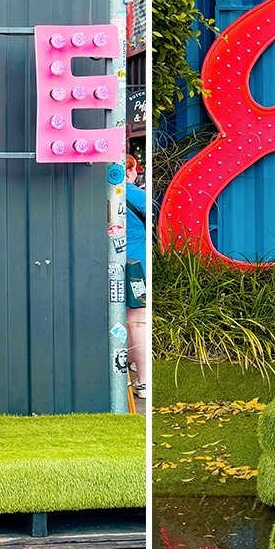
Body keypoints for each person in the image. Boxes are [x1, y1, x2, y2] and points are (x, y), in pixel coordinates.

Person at [124, 155, 148, 399]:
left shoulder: (94, 193)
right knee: (138, 321)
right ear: (129, 170)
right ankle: (143, 381)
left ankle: (130, 364)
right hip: (136, 267)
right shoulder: (136, 195)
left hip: (107, 263)